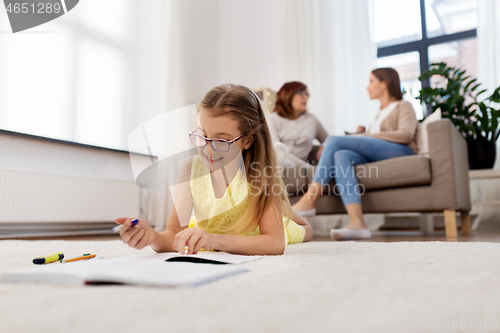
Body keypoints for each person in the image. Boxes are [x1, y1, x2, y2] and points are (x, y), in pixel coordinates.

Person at [116, 84, 313, 255]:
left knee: (304, 228)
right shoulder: (190, 170)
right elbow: (173, 235)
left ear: (248, 141)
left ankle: (286, 211)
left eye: (221, 140)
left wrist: (215, 240)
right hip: (214, 227)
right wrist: (153, 237)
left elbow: (275, 242)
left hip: (254, 231)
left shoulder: (259, 175)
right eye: (202, 136)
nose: (208, 149)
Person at [292, 68, 418, 240]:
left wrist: (367, 136)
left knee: (333, 141)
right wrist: (363, 134)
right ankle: (357, 222)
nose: (368, 87)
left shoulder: (403, 106)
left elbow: (406, 134)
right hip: (380, 151)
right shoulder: (380, 113)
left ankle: (309, 200)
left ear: (385, 83)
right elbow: (377, 137)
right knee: (341, 155)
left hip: (401, 150)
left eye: (371, 81)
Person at [267, 81, 329, 168]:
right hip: (280, 165)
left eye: (307, 94)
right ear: (287, 95)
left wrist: (324, 146)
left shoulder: (311, 120)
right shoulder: (271, 119)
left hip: (300, 169)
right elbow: (277, 152)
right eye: (301, 93)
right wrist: (309, 168)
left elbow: (329, 139)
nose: (306, 97)